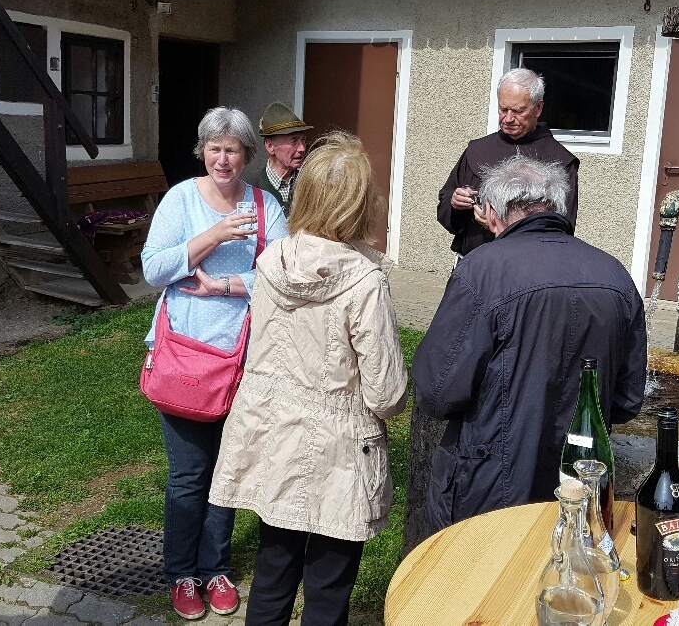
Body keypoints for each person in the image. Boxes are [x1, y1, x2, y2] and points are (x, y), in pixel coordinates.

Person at [210, 133, 408, 626]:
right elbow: (386, 393)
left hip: (275, 433)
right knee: (328, 587)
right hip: (340, 450)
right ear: (359, 203)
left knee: (273, 569)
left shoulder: (271, 261)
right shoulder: (365, 280)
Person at [413, 156, 645, 538]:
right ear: (556, 207)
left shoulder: (482, 270)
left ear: (491, 213)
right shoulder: (615, 274)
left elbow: (436, 391)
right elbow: (626, 400)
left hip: (490, 488)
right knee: (568, 570)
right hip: (581, 482)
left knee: (480, 574)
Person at [141, 106, 289, 620]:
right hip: (185, 356)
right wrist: (214, 236)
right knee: (189, 473)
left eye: (232, 150)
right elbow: (153, 268)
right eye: (214, 148)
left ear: (247, 155)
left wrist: (226, 285)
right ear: (203, 151)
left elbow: (282, 275)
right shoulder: (181, 199)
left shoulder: (265, 206)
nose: (222, 159)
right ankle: (182, 574)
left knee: (227, 471)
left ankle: (215, 568)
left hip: (245, 359)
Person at [437, 68, 580, 257]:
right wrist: (455, 204)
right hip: (472, 261)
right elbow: (445, 203)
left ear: (538, 108)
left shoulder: (560, 161)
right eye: (503, 109)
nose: (509, 119)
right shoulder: (477, 150)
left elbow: (560, 229)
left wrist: (500, 226)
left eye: (519, 111)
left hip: (526, 264)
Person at [242, 101, 310, 215]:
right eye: (294, 141)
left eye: (303, 140)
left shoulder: (310, 183)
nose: (302, 148)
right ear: (270, 146)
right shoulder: (248, 187)